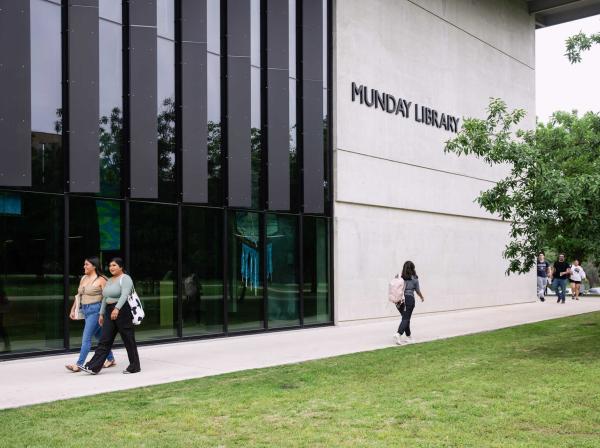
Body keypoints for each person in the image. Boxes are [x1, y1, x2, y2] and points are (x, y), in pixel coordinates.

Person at [80, 257, 141, 375]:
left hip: (122, 310)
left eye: (114, 265)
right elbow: (105, 298)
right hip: (108, 311)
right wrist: (101, 314)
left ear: (121, 267)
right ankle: (93, 367)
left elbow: (124, 295)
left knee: (128, 339)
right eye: (110, 265)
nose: (111, 268)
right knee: (104, 340)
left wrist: (117, 309)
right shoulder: (109, 280)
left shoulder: (125, 278)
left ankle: (134, 366)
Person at [65, 257, 116, 372]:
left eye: (87, 264)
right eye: (84, 264)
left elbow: (107, 297)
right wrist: (73, 309)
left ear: (94, 266)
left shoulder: (102, 279)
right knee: (99, 337)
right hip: (86, 310)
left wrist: (103, 314)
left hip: (96, 311)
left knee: (86, 339)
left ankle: (78, 364)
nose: (84, 266)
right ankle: (111, 359)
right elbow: (78, 295)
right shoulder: (83, 278)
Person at [393, 261, 424, 345]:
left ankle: (408, 337)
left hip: (398, 300)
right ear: (413, 268)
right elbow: (417, 291)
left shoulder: (399, 276)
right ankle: (398, 334)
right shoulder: (414, 278)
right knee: (406, 318)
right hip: (409, 299)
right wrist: (421, 297)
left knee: (406, 318)